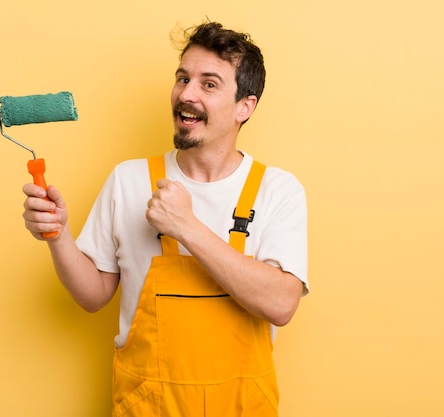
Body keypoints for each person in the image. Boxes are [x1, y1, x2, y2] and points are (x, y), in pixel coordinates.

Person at [22, 21, 308, 417]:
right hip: (149, 406)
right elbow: (92, 296)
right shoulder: (129, 179)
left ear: (246, 106)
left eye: (209, 84)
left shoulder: (277, 190)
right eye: (182, 78)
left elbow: (281, 304)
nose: (186, 94)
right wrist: (58, 236)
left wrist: (185, 226)